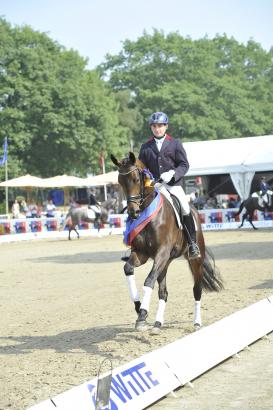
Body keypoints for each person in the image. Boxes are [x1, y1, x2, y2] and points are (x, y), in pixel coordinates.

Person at [138, 111, 200, 259]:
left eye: (160, 126)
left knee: (185, 208)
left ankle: (192, 244)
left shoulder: (175, 143)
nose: (157, 129)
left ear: (166, 126)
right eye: (154, 126)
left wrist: (174, 174)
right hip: (156, 187)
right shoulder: (145, 147)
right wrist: (149, 181)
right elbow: (142, 169)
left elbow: (184, 165)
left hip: (173, 185)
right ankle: (136, 244)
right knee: (139, 208)